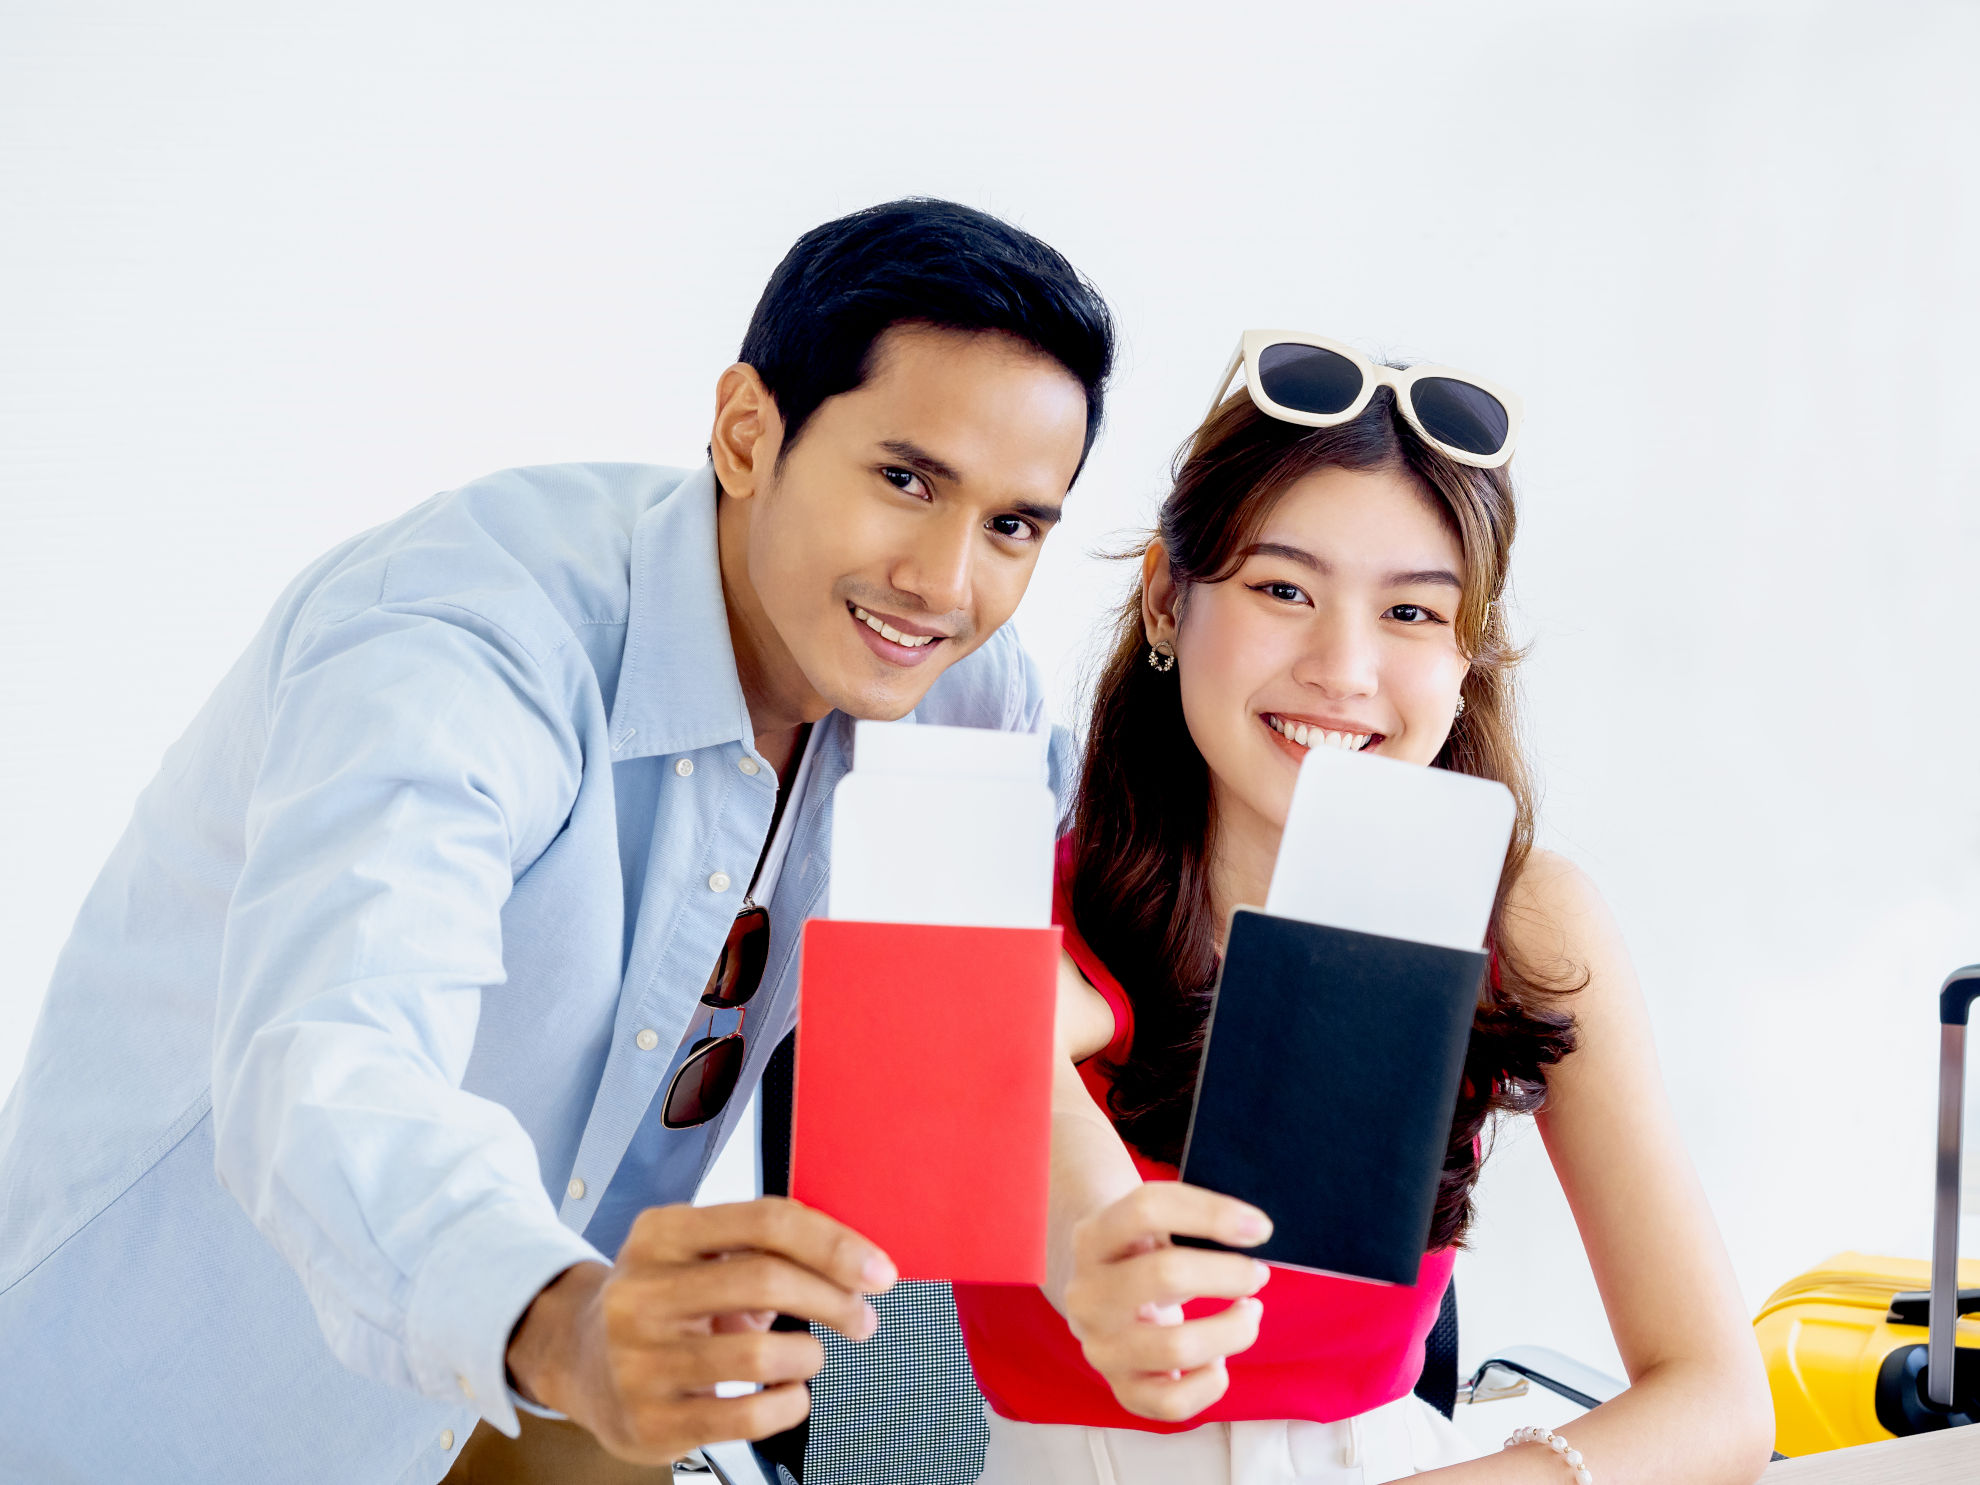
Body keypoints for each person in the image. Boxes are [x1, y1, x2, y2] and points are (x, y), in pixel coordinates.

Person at [0, 198, 1114, 1484]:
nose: (946, 581)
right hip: (158, 1407)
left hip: (543, 1400)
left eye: (1014, 525)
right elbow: (333, 1064)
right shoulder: (464, 634)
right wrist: (567, 1324)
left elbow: (1115, 909)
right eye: (906, 480)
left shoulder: (962, 701)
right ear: (748, 433)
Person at [953, 332, 1778, 1484]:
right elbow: (999, 1064)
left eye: (1410, 615)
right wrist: (1110, 1250)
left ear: (1467, 655)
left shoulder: (1523, 923)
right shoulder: (1004, 894)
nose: (1344, 670)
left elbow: (1720, 1403)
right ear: (1164, 601)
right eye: (1283, 590)